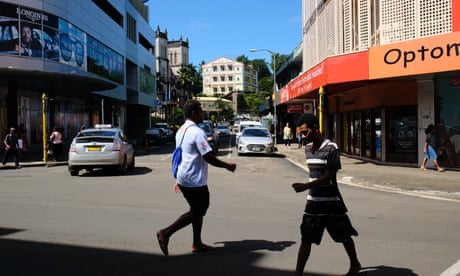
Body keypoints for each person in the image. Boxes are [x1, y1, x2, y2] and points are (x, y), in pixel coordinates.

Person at [156, 99, 236, 256]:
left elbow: (181, 155)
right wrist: (227, 165)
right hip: (194, 179)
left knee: (196, 209)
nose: (203, 113)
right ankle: (165, 233)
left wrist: (179, 179)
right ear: (193, 113)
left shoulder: (182, 130)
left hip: (184, 176)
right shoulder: (197, 132)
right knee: (199, 209)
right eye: (200, 110)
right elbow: (208, 157)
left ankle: (197, 243)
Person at [291, 113, 361, 276]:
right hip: (313, 202)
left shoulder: (332, 148)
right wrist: (308, 187)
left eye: (305, 132)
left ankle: (355, 263)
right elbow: (314, 173)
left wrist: (305, 186)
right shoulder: (307, 149)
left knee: (344, 236)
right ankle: (297, 274)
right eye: (301, 132)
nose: (302, 136)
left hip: (332, 202)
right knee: (306, 239)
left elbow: (329, 176)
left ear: (316, 128)